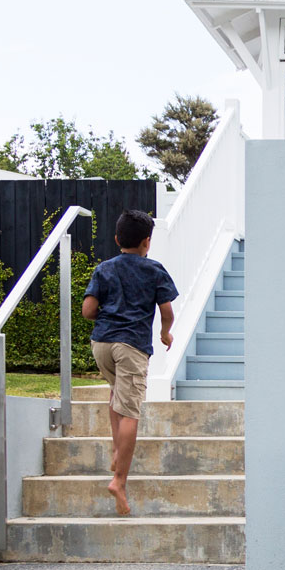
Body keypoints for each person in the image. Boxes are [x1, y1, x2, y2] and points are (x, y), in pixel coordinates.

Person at [81, 210, 177, 517]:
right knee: (131, 410)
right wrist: (165, 333)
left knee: (116, 397)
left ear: (117, 239)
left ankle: (116, 452)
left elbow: (87, 310)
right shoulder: (154, 270)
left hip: (101, 345)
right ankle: (119, 480)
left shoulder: (104, 268)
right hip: (131, 346)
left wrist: (109, 315)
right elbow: (167, 311)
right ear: (147, 242)